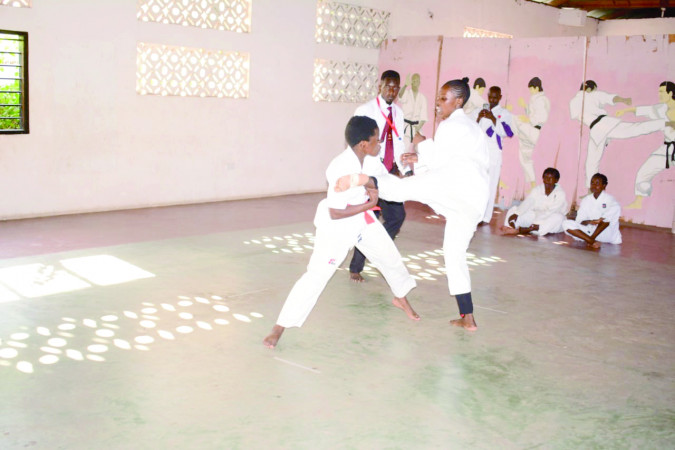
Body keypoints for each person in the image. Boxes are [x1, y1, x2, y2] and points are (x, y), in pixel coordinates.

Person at [336, 79, 490, 331]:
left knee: (399, 190)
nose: (438, 104)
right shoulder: (472, 129)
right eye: (439, 98)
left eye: (443, 99)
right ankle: (468, 317)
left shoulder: (452, 125)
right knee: (454, 253)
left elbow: (441, 160)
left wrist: (419, 141)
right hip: (472, 200)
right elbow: (452, 159)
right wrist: (418, 158)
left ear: (459, 101)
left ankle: (363, 179)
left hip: (454, 185)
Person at [262, 116, 419, 349]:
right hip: (337, 227)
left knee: (389, 255)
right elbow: (335, 212)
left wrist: (406, 173)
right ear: (363, 144)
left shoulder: (369, 160)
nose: (379, 145)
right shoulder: (339, 167)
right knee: (316, 275)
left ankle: (401, 297)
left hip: (362, 220)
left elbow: (382, 180)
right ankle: (280, 326)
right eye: (376, 140)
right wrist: (369, 204)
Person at [346, 70, 409, 283]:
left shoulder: (398, 113)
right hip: (370, 173)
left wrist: (403, 167)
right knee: (369, 219)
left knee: (396, 217)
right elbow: (355, 143)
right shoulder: (366, 110)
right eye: (388, 86)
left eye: (395, 87)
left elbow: (399, 142)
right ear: (379, 86)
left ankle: (378, 251)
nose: (391, 91)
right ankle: (356, 267)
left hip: (389, 172)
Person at [569, 80, 663, 187]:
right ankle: (663, 123)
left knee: (592, 161)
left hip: (597, 128)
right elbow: (610, 98)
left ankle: (591, 189)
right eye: (595, 89)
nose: (596, 91)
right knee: (635, 129)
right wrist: (624, 100)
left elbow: (577, 116)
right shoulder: (592, 95)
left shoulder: (573, 102)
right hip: (603, 125)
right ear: (590, 89)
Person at [615, 81, 674, 209]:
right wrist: (625, 111)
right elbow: (642, 110)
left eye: (662, 92)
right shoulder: (660, 109)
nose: (659, 95)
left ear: (670, 93)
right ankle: (638, 202)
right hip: (667, 147)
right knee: (645, 171)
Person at [477, 86, 514, 224]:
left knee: (490, 186)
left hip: (494, 154)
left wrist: (493, 119)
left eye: (495, 97)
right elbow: (473, 130)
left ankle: (485, 217)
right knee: (478, 183)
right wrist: (478, 117)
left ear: (500, 97)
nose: (492, 100)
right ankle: (476, 213)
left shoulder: (504, 114)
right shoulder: (480, 110)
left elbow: (507, 133)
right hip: (480, 153)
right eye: (490, 97)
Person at [501, 167, 567, 236]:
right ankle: (511, 227)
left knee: (559, 217)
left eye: (550, 179)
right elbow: (528, 202)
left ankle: (529, 230)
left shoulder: (560, 194)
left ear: (556, 180)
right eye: (545, 178)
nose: (547, 180)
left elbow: (551, 212)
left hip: (549, 218)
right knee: (514, 209)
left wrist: (536, 223)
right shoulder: (537, 189)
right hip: (535, 215)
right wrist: (517, 214)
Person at [562, 173, 622, 248]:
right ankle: (592, 241)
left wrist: (592, 237)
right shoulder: (586, 200)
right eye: (592, 183)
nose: (594, 186)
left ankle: (590, 240)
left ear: (604, 186)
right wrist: (589, 222)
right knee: (566, 223)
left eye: (597, 183)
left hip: (606, 233)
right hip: (589, 231)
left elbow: (606, 221)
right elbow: (580, 220)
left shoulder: (611, 201)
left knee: (605, 221)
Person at [512, 77, 550, 189]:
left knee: (513, 119)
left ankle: (507, 130)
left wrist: (527, 119)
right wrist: (525, 106)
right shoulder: (536, 98)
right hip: (531, 130)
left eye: (531, 89)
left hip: (533, 130)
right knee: (525, 158)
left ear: (536, 88)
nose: (530, 92)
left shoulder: (541, 99)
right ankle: (533, 184)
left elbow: (541, 117)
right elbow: (532, 113)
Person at [399, 73, 428, 143]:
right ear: (411, 82)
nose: (415, 83)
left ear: (419, 83)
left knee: (417, 150)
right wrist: (405, 85)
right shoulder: (406, 93)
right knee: (403, 148)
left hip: (417, 127)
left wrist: (417, 128)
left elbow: (424, 117)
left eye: (417, 81)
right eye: (413, 81)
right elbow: (400, 95)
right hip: (405, 126)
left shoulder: (422, 98)